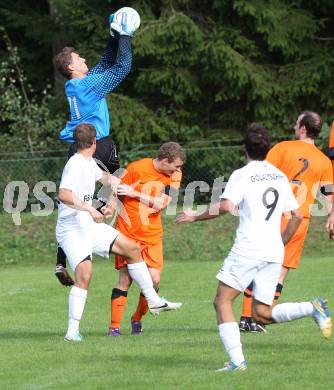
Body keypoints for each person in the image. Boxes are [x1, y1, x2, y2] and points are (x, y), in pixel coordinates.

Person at [176, 123, 332, 371]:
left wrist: (194, 216)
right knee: (261, 313)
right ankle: (312, 308)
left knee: (222, 302)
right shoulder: (278, 175)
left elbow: (226, 206)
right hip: (273, 250)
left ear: (245, 149)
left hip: (249, 248)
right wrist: (280, 242)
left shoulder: (243, 174)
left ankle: (238, 363)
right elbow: (297, 216)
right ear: (268, 148)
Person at [57, 123, 182, 341]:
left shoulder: (87, 162)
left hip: (88, 225)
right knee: (85, 274)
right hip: (72, 229)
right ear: (94, 142)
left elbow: (105, 178)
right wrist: (89, 208)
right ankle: (72, 331)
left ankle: (152, 299)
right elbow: (64, 195)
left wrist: (119, 183)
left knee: (131, 249)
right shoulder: (75, 164)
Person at [53, 8, 138, 286]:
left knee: (72, 203)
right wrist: (125, 35)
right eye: (79, 58)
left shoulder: (75, 86)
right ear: (71, 67)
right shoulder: (89, 87)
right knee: (112, 184)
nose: (84, 58)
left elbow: (103, 63)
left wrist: (113, 35)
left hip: (77, 149)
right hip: (97, 146)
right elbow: (121, 68)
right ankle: (103, 212)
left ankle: (60, 260)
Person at [239, 111, 333, 333]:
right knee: (279, 272)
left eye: (296, 122)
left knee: (256, 265)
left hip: (272, 217)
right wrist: (331, 216)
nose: (293, 125)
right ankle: (261, 316)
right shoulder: (323, 161)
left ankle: (247, 318)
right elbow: (330, 194)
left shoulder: (283, 148)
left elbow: (261, 172)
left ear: (302, 129)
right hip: (299, 222)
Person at [103, 142, 185, 336]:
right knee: (125, 279)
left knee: (154, 280)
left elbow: (162, 204)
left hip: (152, 234)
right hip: (128, 232)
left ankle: (137, 318)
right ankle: (113, 328)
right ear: (165, 161)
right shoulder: (136, 168)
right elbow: (117, 192)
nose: (178, 170)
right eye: (176, 166)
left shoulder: (175, 176)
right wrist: (110, 208)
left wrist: (135, 193)